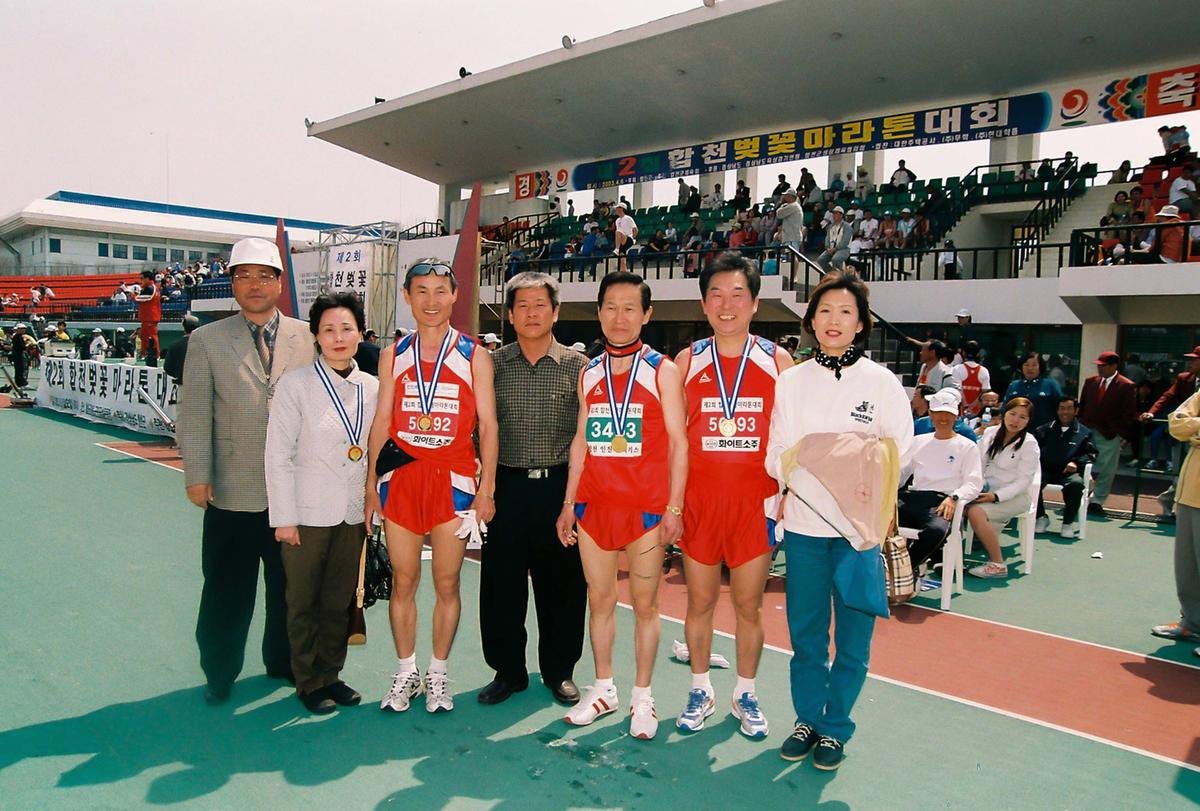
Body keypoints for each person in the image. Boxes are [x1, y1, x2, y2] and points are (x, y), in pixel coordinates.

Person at [766, 271, 913, 770]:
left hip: (858, 538)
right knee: (806, 639)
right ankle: (807, 718)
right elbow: (776, 454)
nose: (834, 321)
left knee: (853, 642)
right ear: (810, 319)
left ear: (861, 324)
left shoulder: (882, 382)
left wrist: (831, 456)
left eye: (845, 312)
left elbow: (901, 451)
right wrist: (825, 466)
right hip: (805, 532)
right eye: (824, 310)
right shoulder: (791, 381)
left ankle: (835, 728)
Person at [177, 237, 317, 705]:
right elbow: (194, 413)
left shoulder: (308, 337)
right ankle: (219, 671)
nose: (254, 285)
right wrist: (197, 472)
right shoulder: (206, 340)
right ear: (232, 283)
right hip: (231, 492)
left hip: (294, 496)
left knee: (291, 590)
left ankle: (283, 662)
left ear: (280, 282)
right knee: (225, 590)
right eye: (243, 275)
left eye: (264, 275)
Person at [555, 271, 687, 741]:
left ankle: (643, 697)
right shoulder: (587, 371)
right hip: (595, 507)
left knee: (646, 606)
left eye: (630, 307)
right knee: (600, 600)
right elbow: (581, 440)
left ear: (647, 315)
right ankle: (605, 686)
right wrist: (569, 501)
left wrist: (674, 508)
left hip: (646, 510)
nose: (619, 316)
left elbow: (678, 442)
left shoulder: (662, 370)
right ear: (598, 312)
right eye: (610, 306)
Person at [365, 257, 498, 714]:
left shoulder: (473, 353)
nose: (431, 300)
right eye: (421, 290)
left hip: (455, 482)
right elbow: (382, 420)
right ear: (406, 297)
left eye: (441, 290)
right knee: (403, 581)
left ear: (456, 297)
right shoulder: (393, 354)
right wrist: (370, 485)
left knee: (447, 582)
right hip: (401, 480)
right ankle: (406, 672)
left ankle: (438, 674)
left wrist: (488, 490)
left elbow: (490, 425)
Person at [671, 254, 792, 739]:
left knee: (748, 606)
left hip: (755, 506)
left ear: (755, 302)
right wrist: (673, 506)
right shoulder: (687, 361)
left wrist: (786, 491)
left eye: (737, 294)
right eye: (716, 294)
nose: (727, 304)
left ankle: (746, 692)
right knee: (698, 602)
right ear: (703, 304)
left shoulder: (777, 360)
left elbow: (790, 436)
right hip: (700, 504)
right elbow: (675, 440)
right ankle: (700, 687)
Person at [265, 292, 379, 714]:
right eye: (328, 329)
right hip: (305, 515)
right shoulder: (295, 385)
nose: (338, 337)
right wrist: (285, 519)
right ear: (315, 335)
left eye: (346, 328)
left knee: (338, 599)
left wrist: (373, 502)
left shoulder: (373, 387)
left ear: (360, 333)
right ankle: (308, 680)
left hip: (351, 515)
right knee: (302, 601)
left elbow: (373, 451)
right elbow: (277, 455)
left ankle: (332, 673)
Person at [479, 272, 588, 708]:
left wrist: (571, 501)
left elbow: (586, 437)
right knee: (501, 586)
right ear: (509, 313)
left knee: (562, 585)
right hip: (505, 487)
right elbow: (479, 428)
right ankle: (508, 671)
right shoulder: (492, 364)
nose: (531, 313)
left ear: (556, 311)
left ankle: (559, 670)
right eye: (522, 305)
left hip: (559, 489)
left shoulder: (581, 368)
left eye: (540, 304)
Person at [899, 390, 984, 569]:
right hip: (913, 498)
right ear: (930, 414)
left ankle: (907, 571)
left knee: (936, 531)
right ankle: (894, 571)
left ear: (957, 416)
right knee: (877, 519)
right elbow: (902, 474)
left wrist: (955, 497)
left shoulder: (967, 446)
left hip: (942, 501)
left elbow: (974, 482)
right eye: (938, 413)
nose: (943, 418)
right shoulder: (917, 441)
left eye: (948, 413)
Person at [965, 397, 1041, 578]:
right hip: (985, 491)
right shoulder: (990, 433)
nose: (1015, 420)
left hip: (1016, 498)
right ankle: (947, 556)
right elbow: (977, 464)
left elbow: (1023, 482)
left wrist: (996, 496)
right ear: (1004, 413)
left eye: (1022, 417)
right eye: (1012, 414)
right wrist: (977, 487)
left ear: (1029, 421)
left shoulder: (1030, 444)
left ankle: (998, 564)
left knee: (975, 511)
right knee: (956, 502)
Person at [1150, 390, 1200, 643]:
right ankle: (1192, 623)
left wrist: (1194, 429)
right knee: (1187, 567)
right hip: (1190, 493)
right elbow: (1176, 424)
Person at [1076, 351, 1137, 514]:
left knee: (1106, 469)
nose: (1100, 369)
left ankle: (1097, 500)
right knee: (1083, 464)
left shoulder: (1126, 385)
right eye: (1099, 366)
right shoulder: (1090, 382)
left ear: (1113, 366)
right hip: (1087, 429)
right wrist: (1079, 424)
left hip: (1109, 432)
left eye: (1103, 366)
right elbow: (1082, 406)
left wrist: (1120, 432)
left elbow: (1129, 412)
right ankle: (1080, 496)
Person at [1033, 396, 1097, 539]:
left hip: (1069, 472)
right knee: (1031, 482)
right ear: (1057, 410)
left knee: (1076, 485)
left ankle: (1067, 523)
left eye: (1069, 408)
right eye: (1062, 408)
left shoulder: (1085, 433)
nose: (1065, 412)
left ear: (1076, 410)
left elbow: (1092, 454)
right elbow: (1032, 450)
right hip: (1045, 470)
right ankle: (1041, 517)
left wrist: (1076, 462)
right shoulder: (1043, 429)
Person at [1004, 351, 1063, 429]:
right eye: (1026, 365)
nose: (1030, 368)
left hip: (1044, 431)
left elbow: (1061, 407)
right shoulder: (1014, 385)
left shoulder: (1050, 385)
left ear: (1040, 366)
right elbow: (1005, 407)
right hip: (1017, 429)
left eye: (1034, 365)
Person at [951, 340, 990, 417]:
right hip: (977, 412)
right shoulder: (984, 371)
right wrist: (972, 406)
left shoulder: (956, 369)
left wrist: (966, 406)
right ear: (978, 354)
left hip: (959, 411)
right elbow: (985, 392)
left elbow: (958, 389)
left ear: (963, 353)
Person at [134, 269, 162, 368]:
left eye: (142, 278)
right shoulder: (152, 287)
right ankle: (144, 353)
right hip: (148, 316)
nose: (141, 280)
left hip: (150, 316)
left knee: (152, 336)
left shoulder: (150, 287)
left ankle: (156, 355)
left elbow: (141, 298)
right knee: (144, 336)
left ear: (147, 278)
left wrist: (134, 295)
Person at [164, 314, 199, 385]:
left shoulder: (174, 346)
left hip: (182, 383)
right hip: (202, 383)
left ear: (184, 328)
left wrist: (179, 374)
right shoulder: (204, 345)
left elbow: (168, 368)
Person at [817, 206, 851, 271]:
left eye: (836, 213)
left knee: (836, 259)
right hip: (831, 248)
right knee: (820, 260)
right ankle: (832, 273)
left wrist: (835, 249)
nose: (833, 215)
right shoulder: (831, 226)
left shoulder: (847, 227)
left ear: (841, 215)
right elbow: (827, 238)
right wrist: (827, 248)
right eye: (833, 213)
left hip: (843, 249)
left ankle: (841, 275)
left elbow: (845, 241)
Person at [776, 189, 804, 254]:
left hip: (792, 237)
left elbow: (778, 214)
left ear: (791, 196)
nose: (784, 197)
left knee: (793, 256)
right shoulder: (792, 205)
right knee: (790, 257)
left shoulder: (793, 206)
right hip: (790, 236)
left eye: (786, 195)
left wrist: (782, 206)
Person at [613, 204, 638, 273]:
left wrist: (633, 237)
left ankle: (617, 249)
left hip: (628, 238)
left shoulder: (628, 218)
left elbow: (635, 229)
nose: (616, 210)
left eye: (618, 208)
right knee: (622, 258)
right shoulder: (617, 220)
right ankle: (624, 272)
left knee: (618, 232)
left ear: (621, 209)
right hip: (621, 240)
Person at [7, 323, 30, 388]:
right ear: (18, 329)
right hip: (18, 355)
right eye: (22, 329)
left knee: (20, 369)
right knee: (20, 369)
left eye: (24, 329)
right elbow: (20, 347)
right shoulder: (17, 337)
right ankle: (21, 383)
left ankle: (20, 382)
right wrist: (27, 345)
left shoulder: (18, 336)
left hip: (18, 355)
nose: (23, 330)